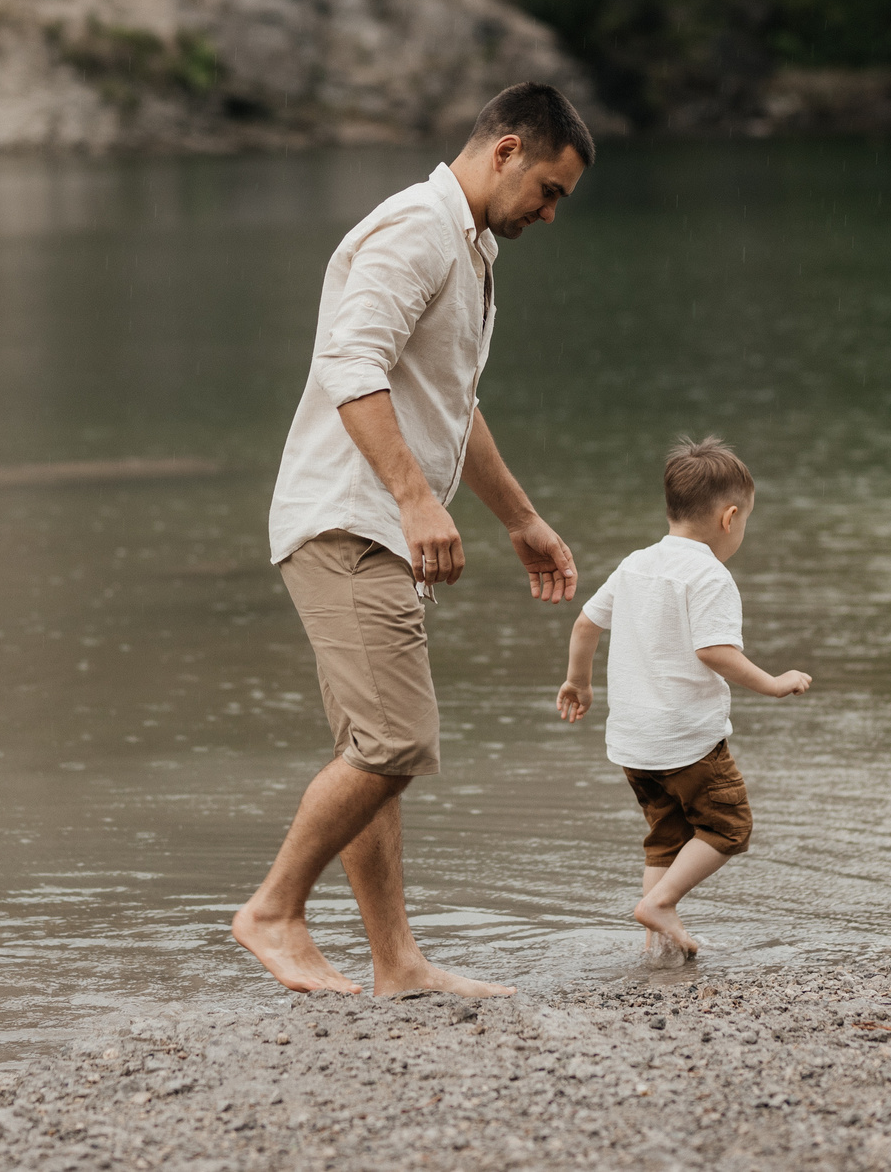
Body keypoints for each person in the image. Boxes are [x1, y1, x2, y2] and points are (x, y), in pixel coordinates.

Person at [234, 82, 596, 997]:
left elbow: (451, 405)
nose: (551, 213)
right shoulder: (418, 228)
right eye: (549, 189)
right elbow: (347, 361)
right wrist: (413, 498)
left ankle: (396, 964)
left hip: (370, 523)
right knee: (397, 739)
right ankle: (273, 909)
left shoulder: (469, 246)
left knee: (373, 748)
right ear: (506, 151)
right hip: (347, 518)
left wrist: (519, 517)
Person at [555, 435, 812, 956]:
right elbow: (714, 650)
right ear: (729, 517)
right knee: (729, 826)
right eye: (746, 521)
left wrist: (578, 682)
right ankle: (660, 904)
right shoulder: (709, 575)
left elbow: (585, 624)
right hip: (687, 741)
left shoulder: (636, 563)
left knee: (667, 836)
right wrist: (772, 682)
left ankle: (658, 945)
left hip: (634, 744)